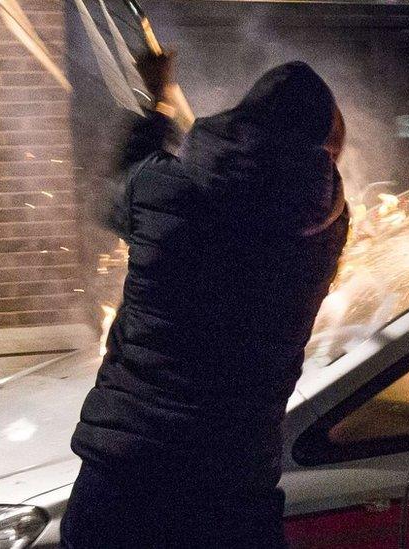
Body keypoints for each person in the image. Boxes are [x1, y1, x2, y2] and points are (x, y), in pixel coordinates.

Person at [60, 53, 348, 549]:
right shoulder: (323, 232)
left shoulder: (162, 190)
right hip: (231, 491)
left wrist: (159, 101)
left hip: (126, 476)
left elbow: (115, 195)